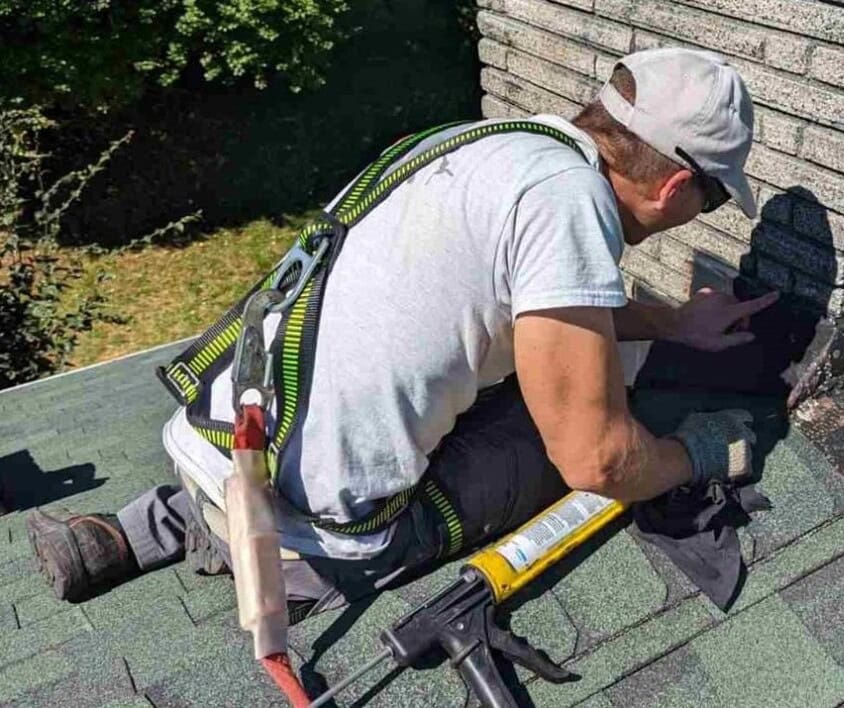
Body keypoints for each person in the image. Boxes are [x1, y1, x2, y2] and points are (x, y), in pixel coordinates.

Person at [27, 48, 778, 621]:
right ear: (677, 187)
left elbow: (540, 310)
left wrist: (672, 321)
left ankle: (140, 528)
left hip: (225, 436)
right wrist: (694, 455)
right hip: (319, 533)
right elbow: (598, 460)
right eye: (711, 202)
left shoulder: (484, 145)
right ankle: (278, 560)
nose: (697, 215)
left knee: (564, 371)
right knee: (603, 424)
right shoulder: (567, 205)